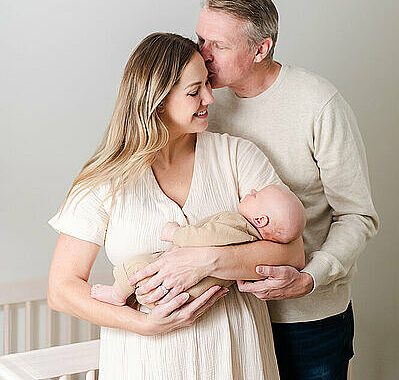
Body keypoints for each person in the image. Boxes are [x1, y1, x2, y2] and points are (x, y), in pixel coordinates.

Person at [132, 0, 379, 380]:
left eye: (218, 45)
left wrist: (311, 277)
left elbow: (357, 215)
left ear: (260, 49)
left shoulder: (319, 104)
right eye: (200, 39)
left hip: (308, 317)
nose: (202, 53)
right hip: (229, 317)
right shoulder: (198, 103)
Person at [48, 32, 304, 380]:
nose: (210, 98)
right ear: (157, 100)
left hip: (238, 358)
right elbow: (62, 289)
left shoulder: (237, 156)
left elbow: (293, 254)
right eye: (194, 90)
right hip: (145, 362)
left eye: (208, 85)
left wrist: (210, 260)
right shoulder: (105, 179)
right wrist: (143, 324)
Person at [90, 184, 306, 308]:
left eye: (256, 195)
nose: (251, 190)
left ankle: (117, 295)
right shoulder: (256, 245)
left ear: (260, 220)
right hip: (190, 298)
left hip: (172, 291)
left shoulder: (237, 224)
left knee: (136, 266)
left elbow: (204, 237)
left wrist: (175, 233)